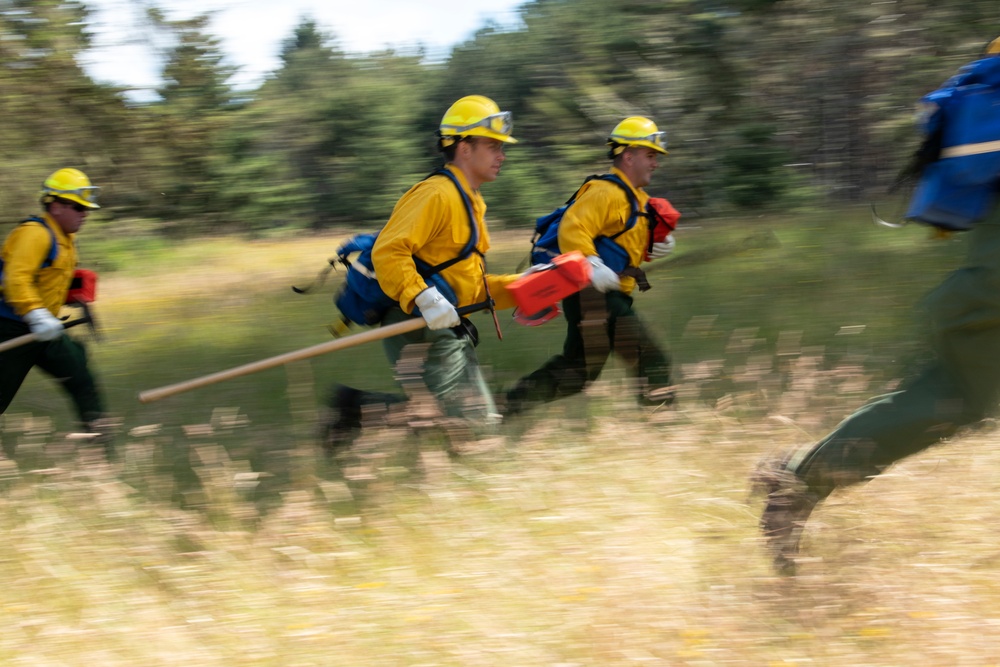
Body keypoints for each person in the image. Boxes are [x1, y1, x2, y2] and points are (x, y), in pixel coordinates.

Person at [755, 37, 1000, 574]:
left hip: (986, 289)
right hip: (991, 291)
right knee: (954, 399)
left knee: (951, 400)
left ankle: (797, 479)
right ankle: (798, 481)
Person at [323, 95, 523, 454]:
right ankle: (352, 412)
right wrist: (423, 297)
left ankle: (353, 410)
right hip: (418, 322)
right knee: (471, 426)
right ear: (464, 148)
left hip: (444, 322)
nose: (502, 154)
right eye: (493, 145)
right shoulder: (436, 194)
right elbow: (388, 250)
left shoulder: (470, 200)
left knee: (452, 418)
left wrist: (525, 287)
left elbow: (467, 284)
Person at [503, 116, 676, 416]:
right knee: (652, 359)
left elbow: (618, 243)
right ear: (628, 155)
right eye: (650, 155)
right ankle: (663, 421)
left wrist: (651, 247)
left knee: (577, 372)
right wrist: (591, 263)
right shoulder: (606, 192)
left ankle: (501, 408)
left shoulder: (635, 199)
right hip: (594, 296)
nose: (655, 163)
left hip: (603, 296)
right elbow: (573, 228)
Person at [0, 168, 111, 449]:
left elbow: (44, 280)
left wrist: (70, 294)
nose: (85, 213)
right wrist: (35, 313)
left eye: (87, 208)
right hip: (10, 329)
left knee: (81, 378)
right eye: (78, 207)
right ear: (56, 205)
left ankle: (99, 456)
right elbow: (16, 279)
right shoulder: (34, 233)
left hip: (45, 330)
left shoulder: (66, 238)